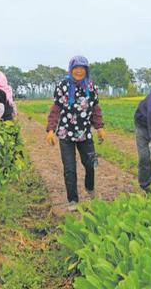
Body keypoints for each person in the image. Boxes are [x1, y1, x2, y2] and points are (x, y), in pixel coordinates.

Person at [45, 56, 105, 210]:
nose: (79, 71)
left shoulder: (91, 87)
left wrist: (99, 128)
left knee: (92, 164)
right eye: (76, 68)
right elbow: (56, 109)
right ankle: (73, 200)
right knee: (69, 168)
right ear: (71, 69)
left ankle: (90, 188)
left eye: (82, 68)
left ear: (86, 70)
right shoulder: (63, 86)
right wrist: (51, 129)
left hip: (85, 134)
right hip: (66, 135)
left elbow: (95, 108)